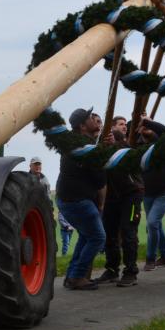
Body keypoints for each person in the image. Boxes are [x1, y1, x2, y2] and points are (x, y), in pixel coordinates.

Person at [55, 107, 112, 290]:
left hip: (68, 199)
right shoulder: (85, 148)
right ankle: (78, 276)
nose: (93, 119)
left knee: (86, 236)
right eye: (89, 118)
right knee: (97, 237)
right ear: (82, 126)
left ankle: (72, 276)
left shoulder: (76, 143)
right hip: (77, 201)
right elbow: (100, 180)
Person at [95, 116, 143, 287]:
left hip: (131, 195)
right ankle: (112, 269)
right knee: (110, 233)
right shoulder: (102, 152)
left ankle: (131, 272)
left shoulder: (127, 151)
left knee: (128, 233)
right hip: (111, 197)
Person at [138, 116, 165, 271]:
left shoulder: (161, 144)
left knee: (152, 223)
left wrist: (147, 122)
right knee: (156, 225)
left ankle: (150, 258)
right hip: (148, 193)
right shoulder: (136, 146)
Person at [31, 157, 76, 255]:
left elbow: (48, 197)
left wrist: (50, 210)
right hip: (31, 210)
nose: (37, 166)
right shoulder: (26, 179)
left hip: (44, 210)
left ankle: (48, 254)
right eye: (35, 164)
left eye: (39, 164)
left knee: (49, 234)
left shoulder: (45, 180)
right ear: (30, 166)